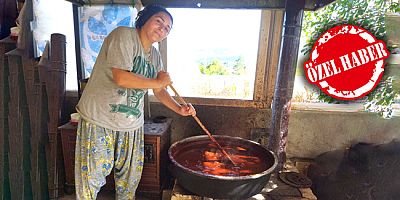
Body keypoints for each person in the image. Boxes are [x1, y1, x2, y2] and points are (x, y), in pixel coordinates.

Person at [74, 4, 196, 199]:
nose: (163, 28)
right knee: (92, 178)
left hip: (131, 124)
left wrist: (179, 108)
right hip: (100, 118)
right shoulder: (124, 36)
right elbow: (121, 78)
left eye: (167, 28)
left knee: (129, 181)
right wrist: (158, 81)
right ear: (144, 19)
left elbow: (159, 90)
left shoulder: (155, 56)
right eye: (159, 21)